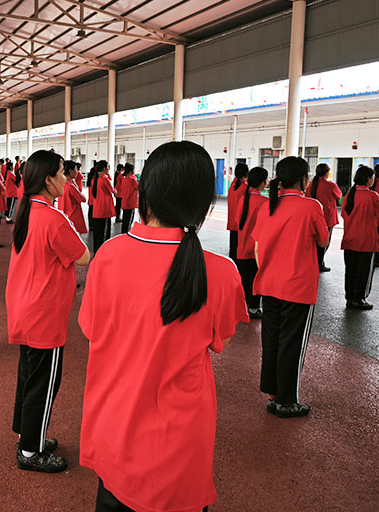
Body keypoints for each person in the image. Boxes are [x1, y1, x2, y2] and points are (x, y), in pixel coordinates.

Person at [79, 141, 247, 512]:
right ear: (204, 202)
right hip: (179, 447)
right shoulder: (219, 273)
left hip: (115, 433)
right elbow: (224, 341)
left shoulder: (107, 256)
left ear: (147, 192)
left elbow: (91, 330)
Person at [6, 150, 91, 473]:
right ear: (48, 180)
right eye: (61, 173)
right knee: (45, 382)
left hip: (26, 306)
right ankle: (30, 451)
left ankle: (30, 435)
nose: (65, 179)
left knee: (30, 377)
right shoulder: (53, 218)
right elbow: (82, 256)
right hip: (44, 312)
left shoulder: (29, 212)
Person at [253, 156, 329, 418]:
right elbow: (323, 240)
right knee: (291, 344)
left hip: (269, 283)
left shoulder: (268, 207)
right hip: (297, 286)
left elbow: (257, 246)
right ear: (304, 179)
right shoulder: (311, 206)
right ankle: (288, 401)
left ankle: (274, 394)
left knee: (272, 341)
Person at [341, 165, 379, 310]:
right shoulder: (372, 195)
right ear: (368, 179)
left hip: (350, 239)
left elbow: (344, 214)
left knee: (351, 270)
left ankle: (350, 298)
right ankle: (359, 298)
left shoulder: (350, 194)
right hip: (366, 240)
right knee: (363, 272)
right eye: (372, 178)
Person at [236, 166, 269, 319]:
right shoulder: (265, 202)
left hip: (242, 247)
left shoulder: (244, 199)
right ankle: (254, 308)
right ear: (263, 183)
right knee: (255, 280)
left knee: (243, 280)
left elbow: (237, 221)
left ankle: (241, 307)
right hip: (258, 249)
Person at [307, 163, 342, 272]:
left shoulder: (311, 185)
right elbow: (339, 196)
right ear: (326, 173)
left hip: (313, 218)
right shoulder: (331, 185)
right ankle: (320, 263)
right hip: (327, 218)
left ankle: (315, 262)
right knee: (324, 242)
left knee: (314, 242)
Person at [90, 160, 115, 253]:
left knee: (97, 233)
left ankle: (97, 251)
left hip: (97, 209)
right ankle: (103, 252)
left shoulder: (95, 179)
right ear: (104, 168)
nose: (109, 169)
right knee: (104, 233)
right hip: (104, 209)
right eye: (108, 167)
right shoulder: (104, 179)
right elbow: (113, 190)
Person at [226, 162, 249, 262]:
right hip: (240, 222)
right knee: (239, 248)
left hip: (232, 223)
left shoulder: (232, 185)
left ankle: (232, 265)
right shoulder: (244, 187)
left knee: (233, 247)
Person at [60, 160, 87, 234]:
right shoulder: (70, 186)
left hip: (63, 215)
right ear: (70, 171)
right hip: (73, 216)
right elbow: (83, 199)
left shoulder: (61, 184)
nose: (77, 172)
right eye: (75, 169)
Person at [119, 163, 138, 234]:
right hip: (130, 203)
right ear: (130, 171)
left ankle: (123, 234)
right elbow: (139, 187)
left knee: (125, 221)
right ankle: (127, 235)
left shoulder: (124, 179)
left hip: (125, 202)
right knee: (129, 221)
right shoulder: (132, 180)